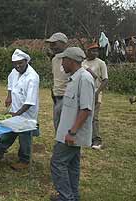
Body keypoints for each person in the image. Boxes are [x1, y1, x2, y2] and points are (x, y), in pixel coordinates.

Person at [50, 47, 95, 201]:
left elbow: (86, 109)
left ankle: (65, 197)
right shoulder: (74, 78)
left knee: (57, 163)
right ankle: (73, 196)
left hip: (71, 133)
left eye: (63, 60)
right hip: (67, 131)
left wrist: (72, 132)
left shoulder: (84, 79)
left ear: (71, 61)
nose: (61, 63)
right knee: (72, 165)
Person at [0, 49, 39, 170]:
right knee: (9, 131)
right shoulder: (14, 71)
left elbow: (30, 101)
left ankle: (24, 160)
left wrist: (16, 114)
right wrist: (9, 96)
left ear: (26, 61)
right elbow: (10, 81)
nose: (17, 66)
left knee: (24, 136)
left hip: (26, 113)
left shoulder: (32, 77)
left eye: (20, 63)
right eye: (15, 63)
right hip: (15, 109)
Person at [82, 43, 108, 150]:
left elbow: (105, 80)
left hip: (96, 92)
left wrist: (97, 93)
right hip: (84, 93)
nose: (95, 53)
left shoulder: (101, 63)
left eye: (96, 51)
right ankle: (86, 138)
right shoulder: (83, 63)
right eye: (92, 51)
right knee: (83, 116)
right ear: (87, 51)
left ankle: (97, 140)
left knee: (94, 117)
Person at [45, 32, 70, 131]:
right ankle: (59, 144)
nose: (51, 46)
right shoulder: (54, 59)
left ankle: (64, 145)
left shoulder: (71, 58)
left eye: (54, 43)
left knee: (66, 126)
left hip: (67, 96)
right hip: (56, 96)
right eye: (50, 43)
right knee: (57, 124)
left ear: (63, 43)